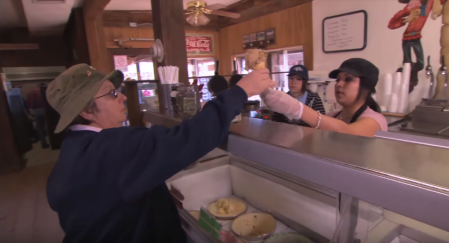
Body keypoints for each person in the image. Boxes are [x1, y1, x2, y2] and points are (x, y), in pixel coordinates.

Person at [45, 64, 275, 243]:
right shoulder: (110, 148)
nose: (123, 96)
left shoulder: (74, 149)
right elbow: (190, 137)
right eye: (112, 94)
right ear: (86, 111)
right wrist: (241, 91)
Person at [261, 58, 388, 137]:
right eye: (338, 79)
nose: (339, 84)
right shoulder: (333, 116)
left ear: (367, 87)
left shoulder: (375, 119)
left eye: (348, 79)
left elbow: (348, 133)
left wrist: (296, 109)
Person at [26, 83, 49, 148]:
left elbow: (29, 103)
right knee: (48, 126)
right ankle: (52, 142)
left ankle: (43, 144)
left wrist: (31, 112)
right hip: (44, 109)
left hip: (35, 110)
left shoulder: (30, 93)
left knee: (40, 128)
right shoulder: (46, 91)